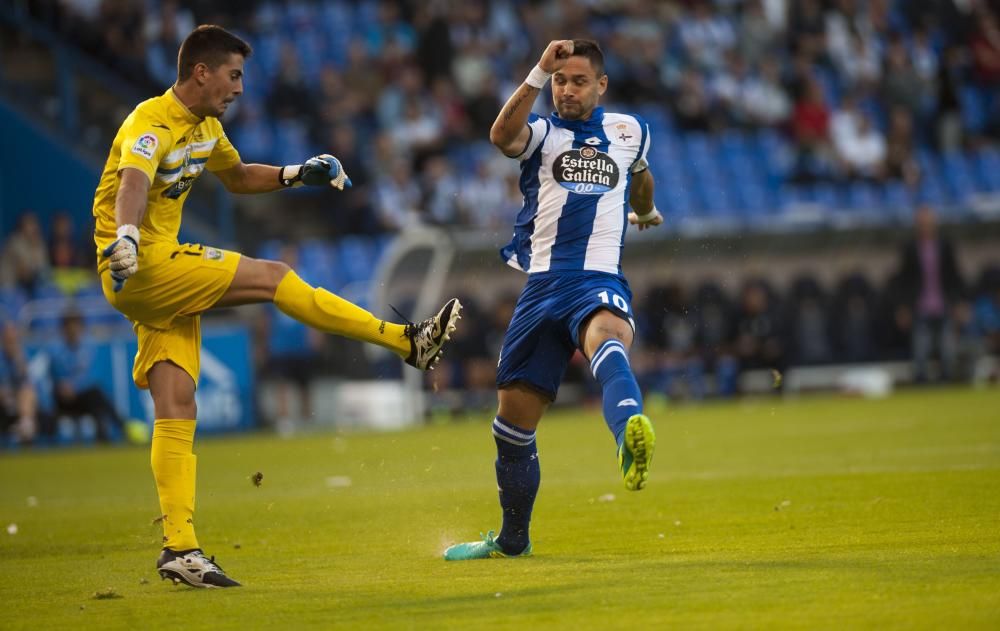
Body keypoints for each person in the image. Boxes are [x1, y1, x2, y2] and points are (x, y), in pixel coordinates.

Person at [94, 25, 462, 588]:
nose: (240, 87)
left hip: (154, 279)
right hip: (138, 262)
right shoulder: (150, 121)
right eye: (233, 75)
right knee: (274, 277)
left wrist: (297, 173)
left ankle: (180, 550)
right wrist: (124, 236)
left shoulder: (206, 128)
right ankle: (404, 340)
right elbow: (133, 183)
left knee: (177, 402)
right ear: (201, 72)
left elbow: (238, 178)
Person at [443, 39, 661, 561]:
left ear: (601, 86)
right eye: (561, 81)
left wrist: (647, 212)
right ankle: (513, 540)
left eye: (578, 80)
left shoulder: (630, 131)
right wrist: (539, 68)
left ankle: (627, 434)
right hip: (540, 288)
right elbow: (500, 136)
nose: (567, 90)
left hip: (595, 277)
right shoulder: (543, 133)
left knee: (605, 337)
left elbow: (641, 177)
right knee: (512, 426)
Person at [896, 205, 966, 382]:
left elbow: (954, 275)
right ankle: (921, 383)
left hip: (943, 304)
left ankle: (947, 380)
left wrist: (959, 302)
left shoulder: (945, 245)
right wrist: (904, 307)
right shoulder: (910, 248)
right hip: (920, 305)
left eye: (928, 221)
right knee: (920, 350)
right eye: (922, 222)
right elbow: (904, 280)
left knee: (947, 348)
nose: (925, 225)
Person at [48, 309, 128, 443]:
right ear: (63, 329)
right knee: (95, 395)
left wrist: (75, 386)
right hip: (62, 398)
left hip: (82, 396)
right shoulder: (55, 350)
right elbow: (55, 376)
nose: (73, 331)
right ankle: (122, 428)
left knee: (95, 395)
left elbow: (91, 375)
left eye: (76, 327)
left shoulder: (88, 347)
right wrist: (64, 386)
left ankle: (106, 434)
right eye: (69, 327)